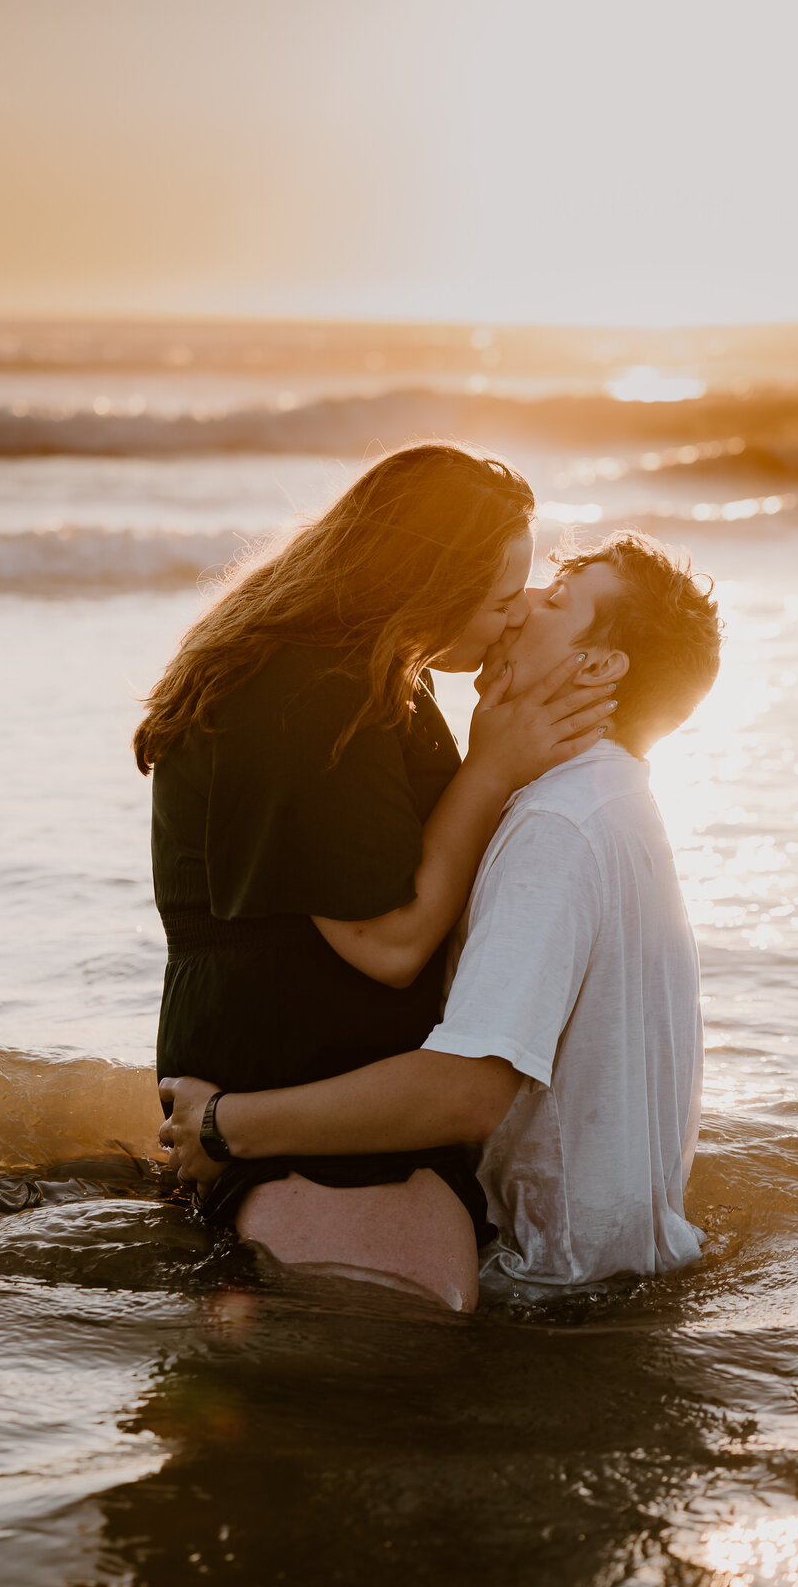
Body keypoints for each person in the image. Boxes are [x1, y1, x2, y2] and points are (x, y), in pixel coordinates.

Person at [161, 530, 723, 1299]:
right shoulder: (610, 799)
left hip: (561, 1306)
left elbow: (466, 1092)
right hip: (618, 1278)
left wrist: (224, 1127)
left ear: (596, 666)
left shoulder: (559, 826)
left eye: (555, 601)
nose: (520, 606)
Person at [135, 441, 616, 1312]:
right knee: (402, 1349)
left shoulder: (352, 666)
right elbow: (387, 944)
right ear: (424, 587)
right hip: (298, 1088)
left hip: (313, 1076)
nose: (514, 619)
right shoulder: (308, 690)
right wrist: (490, 769)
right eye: (502, 600)